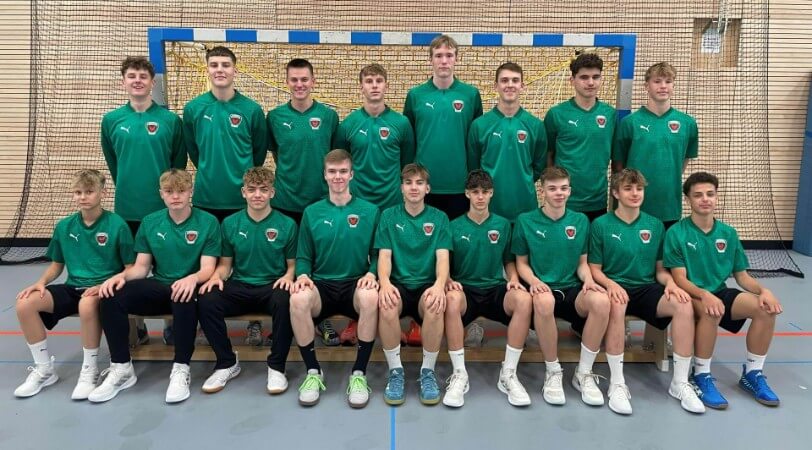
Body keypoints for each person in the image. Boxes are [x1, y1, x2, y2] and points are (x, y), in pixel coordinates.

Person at [90, 169, 221, 404]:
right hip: (160, 285)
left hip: (190, 288)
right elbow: (141, 267)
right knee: (111, 295)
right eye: (169, 191)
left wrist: (192, 279)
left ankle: (181, 368)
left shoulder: (208, 222)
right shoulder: (150, 222)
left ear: (191, 192)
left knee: (183, 294)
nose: (175, 196)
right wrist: (120, 277)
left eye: (181, 191)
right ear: (161, 194)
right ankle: (121, 367)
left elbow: (208, 268)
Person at [589, 168, 704, 415]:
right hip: (615, 287)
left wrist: (670, 284)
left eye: (639, 189)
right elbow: (594, 269)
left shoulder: (655, 225)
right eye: (628, 188)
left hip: (646, 288)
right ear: (615, 193)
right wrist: (610, 285)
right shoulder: (600, 225)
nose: (635, 193)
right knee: (617, 305)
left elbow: (660, 270)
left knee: (683, 305)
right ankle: (617, 383)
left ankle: (680, 383)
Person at [665, 171, 782, 408]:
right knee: (712, 311)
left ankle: (753, 374)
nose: (705, 199)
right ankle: (701, 375)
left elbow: (742, 276)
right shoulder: (676, 232)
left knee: (765, 309)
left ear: (717, 197)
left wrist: (763, 290)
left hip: (719, 291)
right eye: (698, 195)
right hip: (692, 293)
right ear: (688, 200)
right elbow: (679, 278)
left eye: (710, 194)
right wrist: (704, 294)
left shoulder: (728, 233)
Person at [13, 170, 134, 400]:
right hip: (73, 287)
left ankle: (89, 371)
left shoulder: (117, 225)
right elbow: (56, 265)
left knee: (87, 305)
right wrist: (40, 282)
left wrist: (107, 283)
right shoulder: (64, 226)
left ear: (103, 193)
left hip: (103, 288)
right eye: (78, 192)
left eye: (89, 191)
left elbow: (131, 267)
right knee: (25, 303)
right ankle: (44, 370)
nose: (83, 197)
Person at [183, 45, 268, 344]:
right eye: (214, 64)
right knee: (204, 262)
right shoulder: (194, 109)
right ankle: (201, 317)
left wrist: (244, 182)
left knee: (248, 262)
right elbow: (193, 151)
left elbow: (258, 153)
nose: (220, 69)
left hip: (242, 202)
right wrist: (210, 170)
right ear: (207, 69)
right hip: (207, 199)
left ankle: (254, 321)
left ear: (235, 69)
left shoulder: (251, 110)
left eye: (225, 64)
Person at [101, 56, 185, 344]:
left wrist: (169, 196)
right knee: (129, 269)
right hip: (127, 209)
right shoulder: (111, 120)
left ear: (152, 82)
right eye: (132, 76)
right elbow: (114, 163)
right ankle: (136, 328)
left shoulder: (170, 121)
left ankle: (172, 323)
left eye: (143, 76)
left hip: (163, 210)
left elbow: (177, 164)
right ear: (123, 81)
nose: (137, 80)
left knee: (169, 268)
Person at [289, 150, 380, 408]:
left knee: (371, 297)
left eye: (342, 171)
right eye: (332, 171)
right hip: (322, 285)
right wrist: (303, 274)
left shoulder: (370, 211)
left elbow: (378, 253)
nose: (337, 176)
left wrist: (372, 272)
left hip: (355, 284)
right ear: (325, 175)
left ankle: (359, 373)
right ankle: (313, 372)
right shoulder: (312, 212)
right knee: (297, 299)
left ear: (351, 174)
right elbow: (304, 256)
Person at [513, 166, 610, 407]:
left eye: (564, 188)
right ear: (542, 191)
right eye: (553, 188)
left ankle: (583, 373)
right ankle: (553, 370)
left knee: (601, 302)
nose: (559, 193)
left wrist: (589, 280)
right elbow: (521, 263)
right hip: (542, 288)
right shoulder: (525, 220)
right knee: (545, 302)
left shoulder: (580, 221)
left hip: (572, 288)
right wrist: (535, 282)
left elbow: (582, 263)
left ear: (570, 191)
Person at [196, 167, 297, 395]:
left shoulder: (287, 224)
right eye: (252, 190)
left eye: (263, 189)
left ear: (272, 192)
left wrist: (288, 277)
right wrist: (216, 277)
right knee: (207, 298)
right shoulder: (230, 223)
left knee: (286, 300)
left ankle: (277, 367)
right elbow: (225, 264)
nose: (257, 194)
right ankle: (226, 363)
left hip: (272, 285)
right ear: (243, 192)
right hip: (240, 284)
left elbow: (292, 265)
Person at [443, 170, 533, 408]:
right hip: (466, 290)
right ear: (467, 194)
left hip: (495, 288)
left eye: (485, 192)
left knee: (524, 299)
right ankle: (459, 374)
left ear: (492, 193)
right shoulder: (453, 226)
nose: (480, 197)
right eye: (475, 192)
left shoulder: (502, 225)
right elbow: (444, 263)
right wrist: (448, 279)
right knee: (451, 299)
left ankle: (509, 374)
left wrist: (513, 278)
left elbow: (508, 261)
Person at [376, 163, 451, 406]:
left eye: (419, 183)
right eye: (408, 183)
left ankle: (427, 372)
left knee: (435, 305)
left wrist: (439, 285)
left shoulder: (439, 218)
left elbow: (443, 258)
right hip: (398, 283)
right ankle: (395, 372)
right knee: (386, 304)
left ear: (427, 188)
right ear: (401, 188)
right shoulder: (388, 216)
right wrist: (384, 283)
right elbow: (384, 256)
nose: (414, 187)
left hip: (426, 285)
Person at [403, 34, 483, 220]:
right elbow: (409, 142)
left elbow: (476, 142)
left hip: (460, 186)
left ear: (457, 59)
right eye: (438, 55)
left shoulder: (471, 95)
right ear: (430, 59)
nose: (444, 61)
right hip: (424, 186)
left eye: (449, 55)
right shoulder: (415, 95)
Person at [613, 62, 698, 228]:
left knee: (666, 245)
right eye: (657, 81)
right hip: (635, 207)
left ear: (674, 85)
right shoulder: (629, 123)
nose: (663, 86)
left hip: (669, 206)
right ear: (646, 86)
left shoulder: (688, 124)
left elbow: (683, 161)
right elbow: (618, 165)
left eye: (668, 81)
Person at [467, 62, 546, 222]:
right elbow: (473, 168)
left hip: (525, 209)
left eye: (515, 80)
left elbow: (539, 168)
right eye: (504, 80)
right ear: (496, 86)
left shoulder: (536, 125)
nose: (510, 85)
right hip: (489, 210)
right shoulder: (479, 125)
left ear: (522, 86)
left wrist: (522, 180)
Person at [333, 63, 415, 211]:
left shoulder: (402, 123)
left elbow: (407, 164)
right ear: (361, 87)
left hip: (392, 202)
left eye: (379, 81)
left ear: (386, 86)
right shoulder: (347, 125)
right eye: (369, 81)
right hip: (357, 202)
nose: (375, 85)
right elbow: (340, 165)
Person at [545, 53, 616, 222]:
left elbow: (616, 159)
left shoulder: (610, 114)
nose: (590, 82)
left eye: (595, 77)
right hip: (564, 201)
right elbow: (548, 155)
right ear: (572, 80)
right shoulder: (556, 114)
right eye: (584, 77)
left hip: (597, 201)